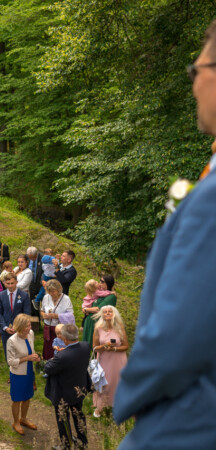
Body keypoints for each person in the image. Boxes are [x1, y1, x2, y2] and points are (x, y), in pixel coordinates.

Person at [112, 29, 216, 435]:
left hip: (189, 421)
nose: (192, 84)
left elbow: (179, 334)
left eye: (196, 70)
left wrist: (132, 394)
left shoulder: (210, 199)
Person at [44, 324, 91, 449]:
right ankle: (83, 441)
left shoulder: (62, 356)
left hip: (63, 393)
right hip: (79, 389)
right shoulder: (86, 346)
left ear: (64, 339)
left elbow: (48, 369)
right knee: (78, 415)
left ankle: (66, 445)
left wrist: (50, 360)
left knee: (63, 419)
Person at [91, 305, 128, 418]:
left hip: (118, 360)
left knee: (118, 383)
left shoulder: (120, 327)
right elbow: (95, 348)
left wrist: (114, 349)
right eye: (105, 312)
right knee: (104, 383)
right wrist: (104, 346)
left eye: (110, 311)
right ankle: (99, 407)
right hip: (104, 360)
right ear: (102, 315)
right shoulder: (98, 328)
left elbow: (126, 346)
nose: (107, 313)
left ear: (114, 314)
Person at [7, 314, 40, 436]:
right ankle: (16, 422)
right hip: (18, 374)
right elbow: (10, 362)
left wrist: (35, 357)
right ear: (20, 327)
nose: (29, 328)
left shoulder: (30, 333)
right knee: (17, 399)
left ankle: (23, 419)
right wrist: (27, 358)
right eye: (27, 326)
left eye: (30, 325)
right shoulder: (12, 341)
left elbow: (31, 350)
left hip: (29, 371)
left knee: (27, 396)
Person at [0, 273, 31, 360]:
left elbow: (26, 313)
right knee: (8, 351)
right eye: (8, 283)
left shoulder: (24, 295)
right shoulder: (1, 295)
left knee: (20, 351)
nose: (10, 286)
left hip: (20, 329)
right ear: (4, 283)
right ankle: (9, 364)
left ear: (16, 282)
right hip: (6, 329)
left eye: (12, 283)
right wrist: (5, 327)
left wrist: (19, 327)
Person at [40, 279, 74, 361]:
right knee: (48, 348)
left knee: (60, 348)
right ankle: (48, 364)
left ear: (59, 289)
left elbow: (71, 315)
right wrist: (43, 315)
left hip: (60, 330)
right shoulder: (46, 297)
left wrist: (57, 316)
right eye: (49, 291)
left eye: (53, 291)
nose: (51, 294)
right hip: (48, 328)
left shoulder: (66, 299)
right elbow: (42, 310)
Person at [81, 275, 117, 345]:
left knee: (95, 345)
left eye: (102, 281)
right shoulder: (99, 292)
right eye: (100, 280)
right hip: (90, 322)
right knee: (86, 345)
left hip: (98, 324)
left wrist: (85, 309)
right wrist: (85, 309)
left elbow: (98, 309)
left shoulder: (111, 296)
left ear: (108, 283)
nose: (100, 283)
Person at [26, 247, 44, 314]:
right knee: (33, 304)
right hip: (31, 284)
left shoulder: (43, 258)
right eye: (29, 257)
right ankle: (35, 318)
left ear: (36, 254)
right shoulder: (27, 257)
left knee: (43, 302)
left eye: (32, 257)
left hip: (41, 284)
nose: (30, 259)